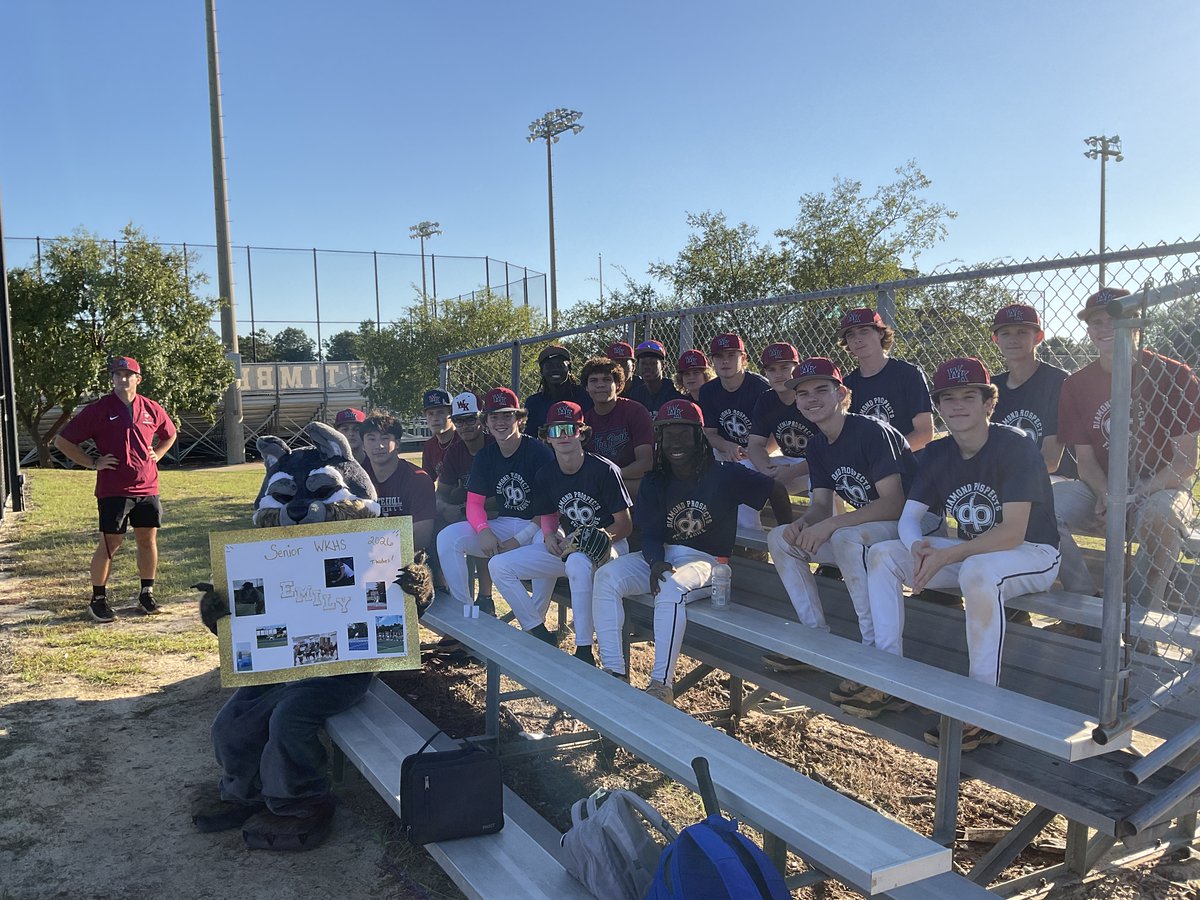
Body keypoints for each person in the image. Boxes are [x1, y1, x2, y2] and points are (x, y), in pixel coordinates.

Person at [860, 358, 1061, 750]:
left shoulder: (1015, 445)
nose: (957, 405)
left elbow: (1013, 531)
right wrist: (916, 547)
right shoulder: (937, 453)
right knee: (884, 554)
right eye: (948, 398)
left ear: (989, 403)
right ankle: (889, 674)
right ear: (938, 405)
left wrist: (947, 556)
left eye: (969, 395)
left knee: (978, 573)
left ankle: (982, 706)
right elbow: (909, 518)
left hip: (1031, 553)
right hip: (975, 554)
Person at [591, 399, 787, 703]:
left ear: (699, 436)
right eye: (667, 435)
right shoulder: (655, 480)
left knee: (671, 589)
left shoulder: (725, 474)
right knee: (606, 576)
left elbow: (775, 489)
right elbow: (651, 533)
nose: (674, 443)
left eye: (683, 433)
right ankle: (614, 671)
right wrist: (655, 560)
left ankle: (660, 685)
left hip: (707, 561)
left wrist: (787, 532)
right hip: (661, 556)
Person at [763, 358, 941, 692]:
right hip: (870, 525)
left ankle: (871, 649)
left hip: (917, 524)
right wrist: (804, 524)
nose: (811, 398)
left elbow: (894, 503)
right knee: (780, 539)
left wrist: (830, 526)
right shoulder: (817, 444)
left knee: (846, 537)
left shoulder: (871, 431)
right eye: (803, 393)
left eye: (821, 389)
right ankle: (813, 635)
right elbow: (819, 505)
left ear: (842, 393)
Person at [1054, 288, 1200, 610]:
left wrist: (1133, 495)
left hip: (1162, 485)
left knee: (1157, 514)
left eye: (1115, 320)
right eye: (1096, 322)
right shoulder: (1076, 384)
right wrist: (1108, 493)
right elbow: (1086, 462)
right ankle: (1085, 603)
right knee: (1042, 506)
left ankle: (1144, 611)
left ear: (1136, 323)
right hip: (1101, 488)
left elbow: (1186, 462)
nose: (1104, 328)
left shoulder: (1174, 374)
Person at [489, 401, 632, 664]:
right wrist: (549, 535)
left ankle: (584, 649)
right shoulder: (546, 474)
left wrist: (597, 538)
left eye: (569, 429)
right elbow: (549, 516)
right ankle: (538, 631)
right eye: (555, 431)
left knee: (577, 560)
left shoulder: (604, 469)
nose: (563, 436)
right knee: (499, 565)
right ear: (547, 438)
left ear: (582, 433)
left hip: (611, 548)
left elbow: (624, 524)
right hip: (573, 546)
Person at [54, 356, 178, 623]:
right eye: (117, 374)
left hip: (147, 486)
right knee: (111, 543)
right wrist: (92, 463)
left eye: (127, 374)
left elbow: (170, 434)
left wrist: (158, 453)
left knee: (147, 540)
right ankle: (98, 599)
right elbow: (62, 441)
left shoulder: (152, 408)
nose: (122, 379)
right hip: (113, 488)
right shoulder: (98, 409)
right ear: (111, 379)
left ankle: (147, 594)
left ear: (138, 379)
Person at [436, 388, 556, 612]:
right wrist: (483, 530)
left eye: (506, 415)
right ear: (487, 422)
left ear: (519, 419)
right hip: (504, 522)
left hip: (536, 527)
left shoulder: (539, 452)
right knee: (447, 537)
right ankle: (464, 610)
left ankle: (535, 621)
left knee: (545, 540)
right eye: (494, 416)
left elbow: (549, 511)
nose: (500, 422)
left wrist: (518, 540)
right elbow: (474, 504)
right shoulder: (486, 455)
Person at [698, 333, 791, 528]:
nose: (725, 361)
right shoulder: (708, 390)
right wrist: (728, 445)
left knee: (743, 472)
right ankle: (710, 531)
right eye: (719, 356)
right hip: (727, 451)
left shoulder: (761, 388)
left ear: (744, 359)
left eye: (731, 355)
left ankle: (750, 538)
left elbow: (776, 436)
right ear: (712, 361)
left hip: (764, 452)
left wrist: (751, 454)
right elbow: (710, 433)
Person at [990, 304, 1074, 478]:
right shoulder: (991, 386)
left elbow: (1050, 461)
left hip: (1055, 479)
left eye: (1022, 332)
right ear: (996, 339)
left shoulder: (1057, 381)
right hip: (1004, 478)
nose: (1013, 339)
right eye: (1005, 333)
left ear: (1038, 337)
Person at [839, 308, 935, 452]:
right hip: (867, 469)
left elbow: (924, 434)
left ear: (880, 333)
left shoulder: (908, 374)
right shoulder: (847, 385)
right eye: (850, 335)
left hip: (908, 466)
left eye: (864, 331)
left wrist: (884, 459)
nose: (857, 339)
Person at [436, 392, 496, 609]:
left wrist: (461, 508)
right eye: (459, 420)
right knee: (443, 531)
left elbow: (500, 499)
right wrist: (446, 507)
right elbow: (440, 494)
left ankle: (486, 598)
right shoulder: (455, 452)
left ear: (481, 419)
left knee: (477, 527)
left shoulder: (494, 446)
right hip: (472, 515)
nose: (465, 426)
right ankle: (452, 596)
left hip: (501, 517)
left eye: (470, 419)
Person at [359, 413, 437, 551]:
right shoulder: (356, 480)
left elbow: (422, 537)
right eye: (371, 439)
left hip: (411, 559)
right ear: (363, 445)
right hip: (366, 555)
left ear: (398, 443)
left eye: (385, 438)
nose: (379, 445)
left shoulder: (418, 479)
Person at [748, 342, 816, 496]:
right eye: (771, 369)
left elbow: (829, 452)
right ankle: (745, 522)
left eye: (784, 367)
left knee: (819, 480)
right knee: (745, 468)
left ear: (797, 368)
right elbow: (755, 445)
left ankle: (821, 521)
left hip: (819, 465)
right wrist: (767, 469)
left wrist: (792, 472)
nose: (778, 374)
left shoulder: (810, 396)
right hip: (788, 462)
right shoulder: (766, 399)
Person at [580, 356, 654, 490]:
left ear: (618, 385)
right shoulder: (584, 421)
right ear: (586, 387)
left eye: (607, 380)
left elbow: (646, 463)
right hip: (599, 486)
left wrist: (611, 476)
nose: (600, 385)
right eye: (593, 380)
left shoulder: (636, 412)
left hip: (632, 482)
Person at [525, 345, 592, 435]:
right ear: (542, 371)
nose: (555, 369)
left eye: (560, 365)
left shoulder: (584, 395)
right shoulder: (533, 403)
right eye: (549, 366)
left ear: (569, 369)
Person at [624, 340, 682, 418]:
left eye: (653, 363)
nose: (647, 367)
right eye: (643, 363)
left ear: (664, 365)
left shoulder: (675, 390)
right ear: (637, 366)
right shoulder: (636, 394)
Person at [420, 388, 459, 483]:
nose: (435, 418)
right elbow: (427, 482)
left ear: (451, 413)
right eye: (430, 414)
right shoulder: (429, 446)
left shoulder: (462, 440)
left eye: (440, 412)